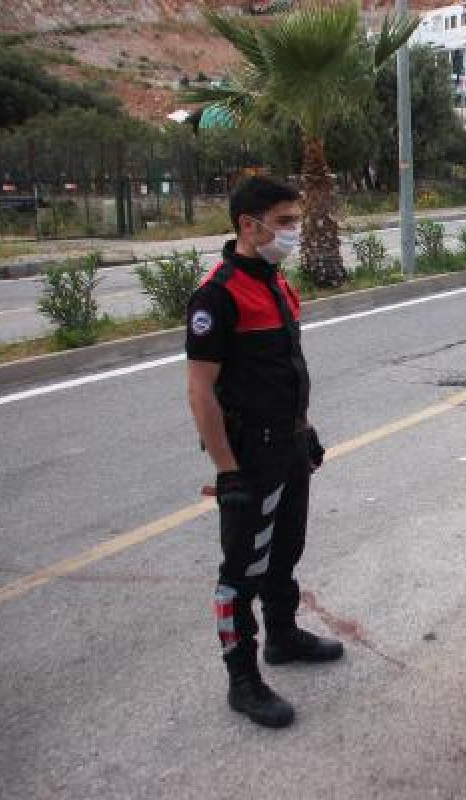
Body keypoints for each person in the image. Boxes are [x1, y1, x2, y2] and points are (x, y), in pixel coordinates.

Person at [185, 175, 343, 728]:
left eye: (295, 221)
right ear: (248, 226)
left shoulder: (276, 282)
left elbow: (284, 371)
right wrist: (227, 473)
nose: (293, 232)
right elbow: (200, 390)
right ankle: (243, 680)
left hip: (289, 446)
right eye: (283, 222)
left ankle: (282, 637)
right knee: (241, 572)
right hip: (250, 456)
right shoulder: (217, 293)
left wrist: (306, 429)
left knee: (285, 551)